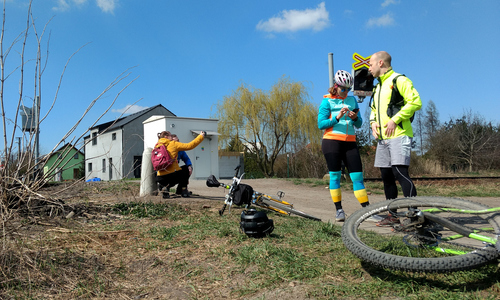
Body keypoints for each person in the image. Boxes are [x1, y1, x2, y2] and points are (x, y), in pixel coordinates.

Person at [318, 70, 382, 222]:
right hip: (331, 142)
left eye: (348, 89)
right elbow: (321, 124)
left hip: (350, 143)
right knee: (335, 176)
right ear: (336, 86)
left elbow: (359, 124)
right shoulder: (326, 101)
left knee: (357, 177)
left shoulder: (352, 101)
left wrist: (354, 118)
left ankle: (367, 211)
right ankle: (339, 210)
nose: (346, 92)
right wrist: (337, 117)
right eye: (343, 89)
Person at [368, 51, 422, 226]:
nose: (369, 68)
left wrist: (395, 119)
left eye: (371, 64)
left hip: (400, 134)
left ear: (381, 63)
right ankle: (392, 216)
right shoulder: (377, 87)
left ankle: (414, 215)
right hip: (383, 139)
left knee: (399, 172)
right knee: (386, 175)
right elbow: (374, 110)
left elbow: (415, 102)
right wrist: (372, 123)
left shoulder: (400, 80)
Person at [155, 130, 205, 198]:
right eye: (170, 135)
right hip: (171, 176)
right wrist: (201, 136)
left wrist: (189, 164)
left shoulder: (157, 146)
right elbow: (190, 145)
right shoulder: (173, 143)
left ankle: (164, 188)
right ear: (166, 137)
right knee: (185, 169)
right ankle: (183, 189)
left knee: (178, 170)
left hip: (159, 178)